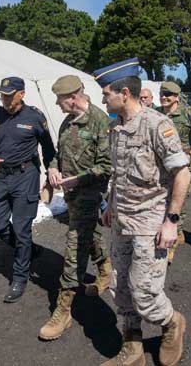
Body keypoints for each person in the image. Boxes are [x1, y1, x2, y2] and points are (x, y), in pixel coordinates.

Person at [96, 57, 190, 366]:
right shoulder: (115, 127)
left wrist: (172, 222)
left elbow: (182, 174)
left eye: (106, 93)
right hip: (122, 221)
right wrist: (110, 205)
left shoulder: (156, 125)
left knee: (146, 293)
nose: (102, 98)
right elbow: (117, 173)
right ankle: (133, 348)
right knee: (120, 287)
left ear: (124, 93)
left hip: (150, 223)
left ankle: (172, 323)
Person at [39, 75, 113, 340]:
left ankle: (64, 308)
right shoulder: (67, 122)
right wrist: (53, 168)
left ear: (72, 97)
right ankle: (105, 268)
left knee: (74, 247)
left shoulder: (99, 121)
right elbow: (59, 153)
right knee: (87, 234)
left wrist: (76, 180)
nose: (57, 104)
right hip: (70, 196)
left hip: (90, 194)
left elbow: (106, 166)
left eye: (59, 99)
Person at [0, 77, 56, 303]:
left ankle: (20, 277)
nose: (5, 99)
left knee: (22, 229)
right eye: (2, 95)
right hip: (3, 176)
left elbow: (49, 148)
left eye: (9, 95)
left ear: (21, 94)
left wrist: (50, 176)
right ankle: (29, 250)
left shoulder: (34, 117)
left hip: (26, 175)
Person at [156, 81, 191, 263]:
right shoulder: (156, 113)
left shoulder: (189, 113)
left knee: (177, 202)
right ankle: (178, 232)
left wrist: (190, 155)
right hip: (162, 166)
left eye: (168, 95)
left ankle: (171, 245)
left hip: (182, 167)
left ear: (176, 97)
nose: (164, 97)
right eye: (162, 94)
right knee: (162, 200)